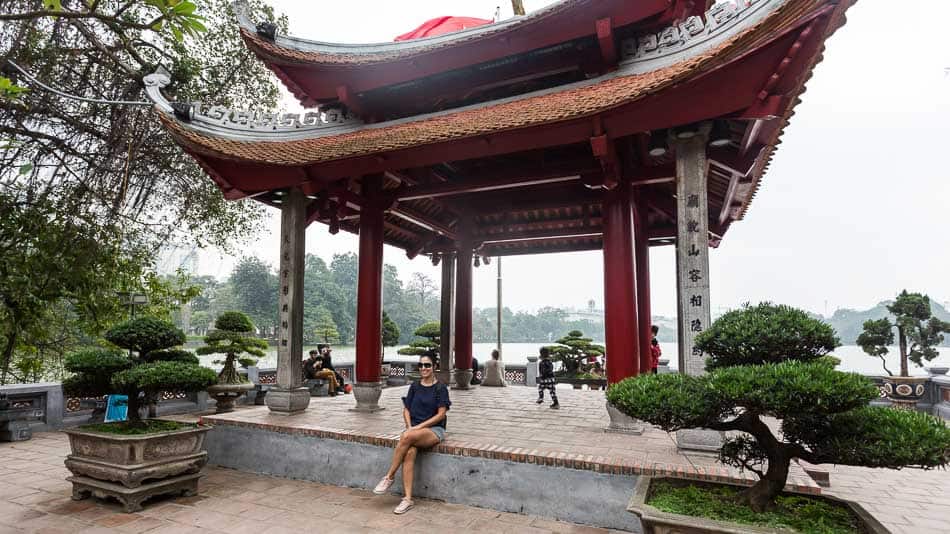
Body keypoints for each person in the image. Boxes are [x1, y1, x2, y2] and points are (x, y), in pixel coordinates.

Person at [372, 354, 450, 514]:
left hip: (434, 430)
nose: (424, 368)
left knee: (406, 437)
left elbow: (441, 414)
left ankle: (389, 477)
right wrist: (410, 427)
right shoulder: (415, 386)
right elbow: (406, 409)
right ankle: (407, 499)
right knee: (409, 451)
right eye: (421, 365)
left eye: (427, 365)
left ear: (434, 366)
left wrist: (416, 428)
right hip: (413, 430)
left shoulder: (440, 388)